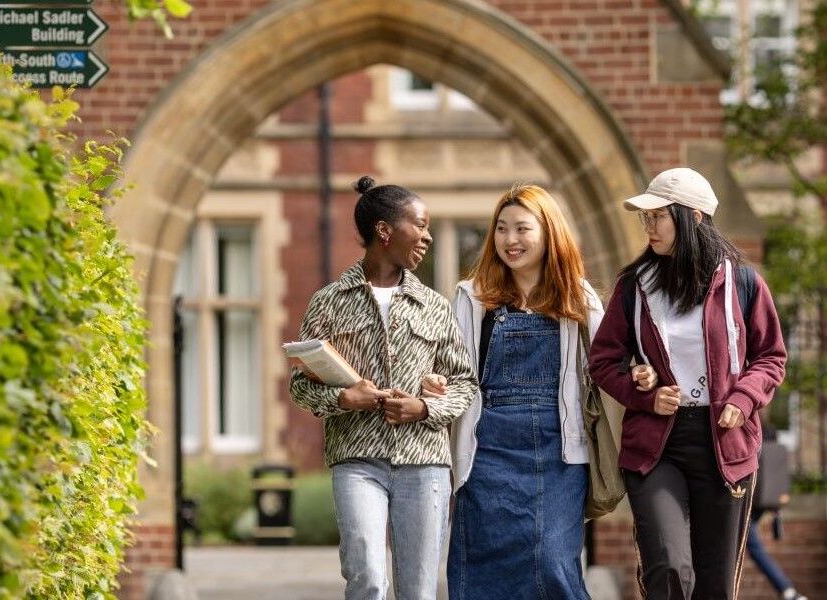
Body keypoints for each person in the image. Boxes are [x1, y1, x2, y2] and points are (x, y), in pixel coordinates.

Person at [431, 183, 656, 599]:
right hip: (486, 454)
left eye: (522, 228)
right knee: (483, 571)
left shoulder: (580, 298)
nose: (509, 240)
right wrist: (436, 383)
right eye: (501, 229)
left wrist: (640, 374)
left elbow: (611, 361)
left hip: (560, 453)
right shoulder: (472, 297)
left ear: (549, 231)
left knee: (554, 562)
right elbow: (453, 371)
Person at [588, 167, 787, 599]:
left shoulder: (743, 284)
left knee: (714, 585)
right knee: (669, 568)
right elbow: (603, 361)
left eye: (658, 216)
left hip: (724, 443)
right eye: (645, 217)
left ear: (693, 218)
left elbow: (771, 357)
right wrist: (638, 386)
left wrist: (744, 395)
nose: (648, 227)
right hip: (656, 445)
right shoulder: (633, 286)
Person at [289, 175, 478, 600]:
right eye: (421, 225)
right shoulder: (329, 301)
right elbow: (300, 386)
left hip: (425, 464)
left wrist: (424, 408)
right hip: (357, 462)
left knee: (418, 591)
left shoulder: (434, 305)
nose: (428, 236)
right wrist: (344, 398)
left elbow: (465, 383)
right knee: (368, 576)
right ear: (385, 231)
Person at [746, 424, 808, 600]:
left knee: (750, 545)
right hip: (764, 501)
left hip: (749, 499)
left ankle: (787, 590)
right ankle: (787, 590)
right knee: (752, 546)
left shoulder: (750, 425)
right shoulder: (770, 432)